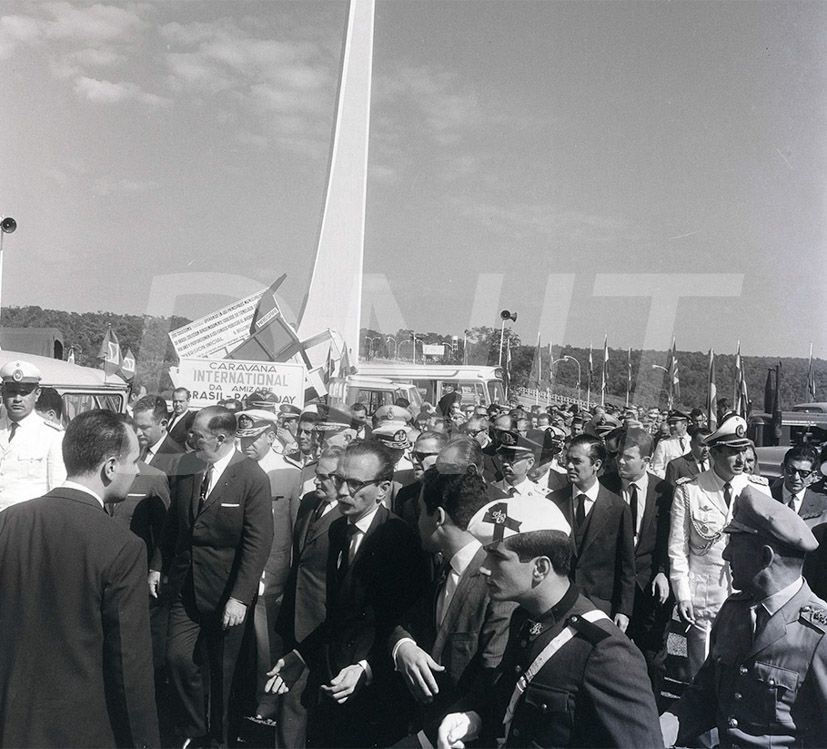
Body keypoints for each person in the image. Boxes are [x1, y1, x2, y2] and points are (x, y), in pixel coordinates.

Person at [436, 495, 663, 748]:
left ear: (540, 568)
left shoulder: (604, 652)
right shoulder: (524, 617)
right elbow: (508, 695)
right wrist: (472, 718)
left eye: (497, 557)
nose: (483, 568)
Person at [0, 409, 159, 748]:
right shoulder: (123, 546)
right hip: (81, 732)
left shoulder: (8, 522)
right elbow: (128, 666)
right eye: (134, 460)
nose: (138, 470)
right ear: (111, 467)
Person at [266, 441, 429, 748]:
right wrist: (301, 654)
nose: (342, 492)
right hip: (333, 680)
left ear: (382, 489)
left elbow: (402, 624)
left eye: (355, 484)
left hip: (372, 692)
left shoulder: (400, 540)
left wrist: (365, 669)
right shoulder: (339, 529)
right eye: (340, 480)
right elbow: (339, 612)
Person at [662, 487, 827, 747]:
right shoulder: (734, 611)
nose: (726, 555)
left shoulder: (819, 637)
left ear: (765, 556)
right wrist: (648, 736)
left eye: (733, 545)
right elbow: (704, 698)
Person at [150, 405, 274, 747]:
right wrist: (157, 565)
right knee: (176, 657)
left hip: (225, 594)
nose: (189, 440)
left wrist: (240, 597)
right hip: (184, 586)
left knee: (222, 674)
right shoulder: (189, 466)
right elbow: (174, 523)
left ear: (221, 438)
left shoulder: (251, 477)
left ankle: (218, 740)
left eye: (197, 436)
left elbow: (257, 543)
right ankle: (193, 729)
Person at [390, 469, 516, 743]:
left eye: (422, 511)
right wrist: (405, 648)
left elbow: (491, 680)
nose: (417, 519)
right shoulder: (442, 564)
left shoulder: (495, 583)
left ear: (438, 517)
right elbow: (407, 622)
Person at [668, 413, 772, 679]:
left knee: (739, 671)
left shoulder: (759, 489)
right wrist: (683, 594)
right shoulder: (690, 491)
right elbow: (678, 549)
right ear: (714, 453)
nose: (740, 460)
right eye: (732, 452)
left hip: (746, 594)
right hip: (703, 594)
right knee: (700, 670)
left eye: (743, 451)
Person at [274, 447, 344, 749]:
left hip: (325, 622)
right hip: (296, 617)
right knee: (291, 701)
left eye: (326, 478)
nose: (317, 483)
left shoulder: (349, 515)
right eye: (317, 476)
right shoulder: (309, 504)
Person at [235, 409, 302, 723]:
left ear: (272, 436)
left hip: (270, 575)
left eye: (253, 438)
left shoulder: (290, 474)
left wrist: (286, 574)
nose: (246, 444)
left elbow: (294, 531)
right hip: (238, 570)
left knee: (267, 643)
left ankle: (268, 700)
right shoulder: (235, 469)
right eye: (243, 437)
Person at [599, 428, 674, 706]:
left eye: (628, 458)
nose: (620, 462)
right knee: (609, 654)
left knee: (652, 657)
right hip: (613, 585)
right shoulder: (603, 487)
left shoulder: (665, 492)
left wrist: (664, 572)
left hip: (651, 586)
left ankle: (650, 712)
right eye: (618, 456)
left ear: (646, 459)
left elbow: (672, 537)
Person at [549, 434, 635, 629]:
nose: (569, 466)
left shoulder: (617, 507)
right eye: (568, 460)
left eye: (577, 461)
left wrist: (623, 610)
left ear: (596, 465)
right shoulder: (552, 502)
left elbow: (626, 565)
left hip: (599, 606)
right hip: (557, 603)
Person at [0, 359, 66, 512]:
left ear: (37, 394)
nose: (17, 399)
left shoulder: (52, 436)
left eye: (24, 393)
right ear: (2, 393)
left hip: (27, 524)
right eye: (12, 392)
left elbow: (57, 491)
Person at [132, 394, 184, 485]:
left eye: (144, 427)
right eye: (135, 426)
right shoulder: (133, 449)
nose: (137, 433)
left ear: (163, 424)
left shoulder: (178, 459)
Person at [770, 444, 827, 526]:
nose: (796, 477)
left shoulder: (823, 504)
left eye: (804, 473)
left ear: (813, 475)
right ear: (783, 468)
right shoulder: (767, 496)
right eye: (791, 470)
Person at [491, 430, 549, 500]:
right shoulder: (490, 491)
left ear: (529, 463)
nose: (505, 464)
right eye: (503, 458)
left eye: (512, 459)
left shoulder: (541, 496)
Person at [650, 409, 691, 477]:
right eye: (670, 423)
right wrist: (669, 481)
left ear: (684, 425)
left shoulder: (693, 442)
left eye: (675, 423)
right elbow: (657, 468)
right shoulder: (664, 444)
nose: (671, 426)